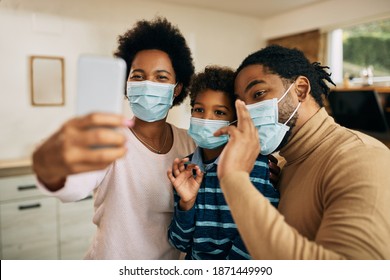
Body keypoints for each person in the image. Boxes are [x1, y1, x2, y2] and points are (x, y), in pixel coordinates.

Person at [32, 17, 196, 259]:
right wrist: (50, 164)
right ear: (126, 84)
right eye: (138, 76)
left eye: (161, 77)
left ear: (177, 88)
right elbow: (71, 187)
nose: (148, 84)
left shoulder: (189, 143)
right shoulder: (109, 139)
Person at [214, 45, 390, 259]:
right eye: (240, 102)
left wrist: (234, 178)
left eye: (258, 94)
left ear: (300, 89)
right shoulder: (280, 165)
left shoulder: (362, 158)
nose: (247, 112)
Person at [167, 66, 279, 260]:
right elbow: (179, 242)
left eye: (219, 113)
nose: (206, 118)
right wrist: (187, 203)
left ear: (235, 120)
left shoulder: (256, 165)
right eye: (199, 110)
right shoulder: (185, 170)